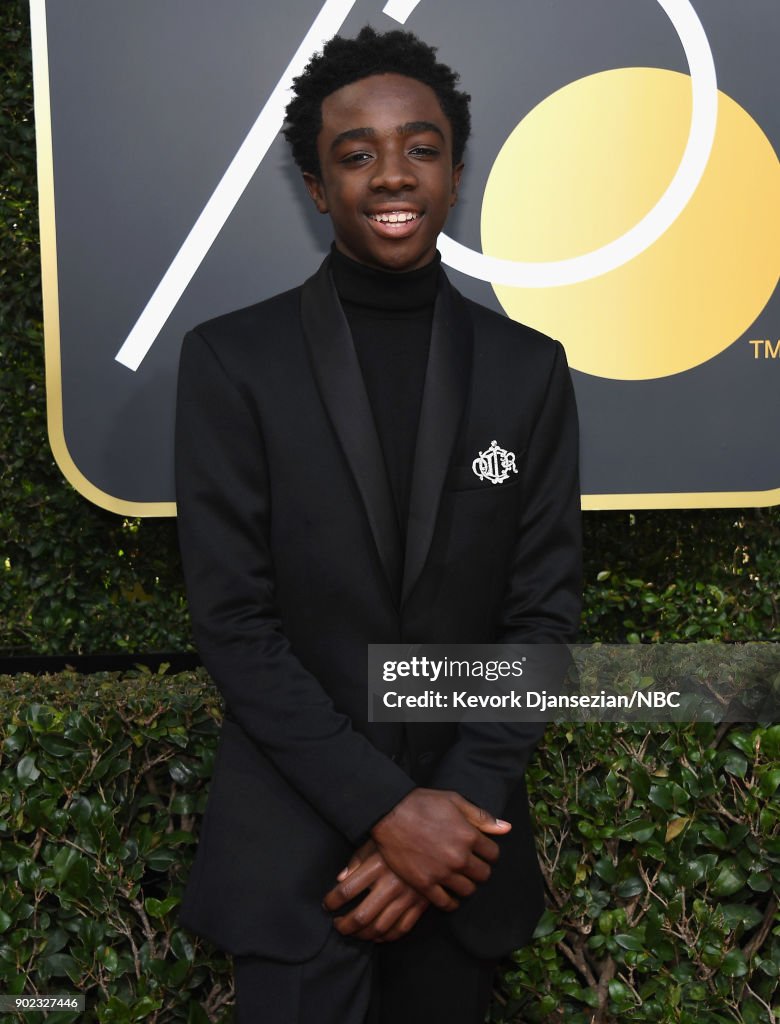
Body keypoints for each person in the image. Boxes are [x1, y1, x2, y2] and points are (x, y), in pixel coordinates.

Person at [174, 25, 582, 1024]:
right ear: (317, 185)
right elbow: (236, 625)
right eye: (356, 153)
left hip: (458, 871)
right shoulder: (233, 363)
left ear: (455, 171)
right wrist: (389, 813)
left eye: (421, 147)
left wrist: (444, 823)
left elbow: (540, 624)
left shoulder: (529, 370)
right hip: (295, 864)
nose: (391, 174)